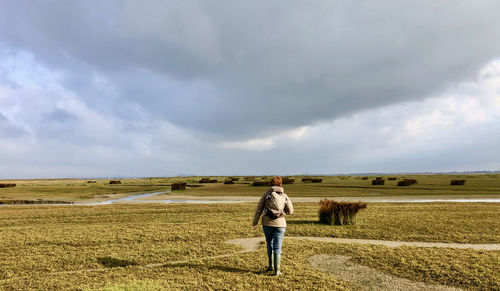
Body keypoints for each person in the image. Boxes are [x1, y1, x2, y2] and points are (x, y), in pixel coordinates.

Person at [252, 176, 294, 276]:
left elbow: (259, 209)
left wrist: (255, 222)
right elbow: (290, 211)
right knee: (277, 247)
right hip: (280, 224)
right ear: (280, 184)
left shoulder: (266, 195)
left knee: (269, 243)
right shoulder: (284, 195)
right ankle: (277, 271)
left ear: (270, 184)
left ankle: (271, 266)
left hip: (267, 224)